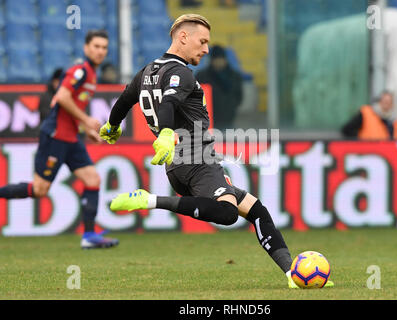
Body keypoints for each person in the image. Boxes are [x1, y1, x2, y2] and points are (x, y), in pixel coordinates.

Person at [99, 14, 333, 288]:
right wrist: (165, 132)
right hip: (197, 161)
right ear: (183, 37)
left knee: (256, 210)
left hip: (179, 164)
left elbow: (126, 99)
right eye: (203, 41)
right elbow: (169, 105)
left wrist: (112, 125)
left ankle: (291, 274)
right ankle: (149, 200)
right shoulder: (181, 73)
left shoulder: (147, 71)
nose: (206, 49)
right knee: (227, 213)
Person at [0, 30, 119, 249]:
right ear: (86, 48)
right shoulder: (79, 71)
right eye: (96, 46)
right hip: (55, 136)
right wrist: (86, 119)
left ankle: (89, 236)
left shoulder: (92, 75)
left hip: (71, 138)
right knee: (39, 190)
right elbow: (62, 97)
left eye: (104, 47)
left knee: (93, 179)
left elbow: (71, 107)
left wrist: (85, 128)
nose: (100, 51)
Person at [196, 45, 243, 130]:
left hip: (228, 119)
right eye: (216, 59)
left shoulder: (235, 76)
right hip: (208, 121)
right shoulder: (202, 76)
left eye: (220, 59)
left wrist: (231, 107)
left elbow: (239, 96)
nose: (218, 62)